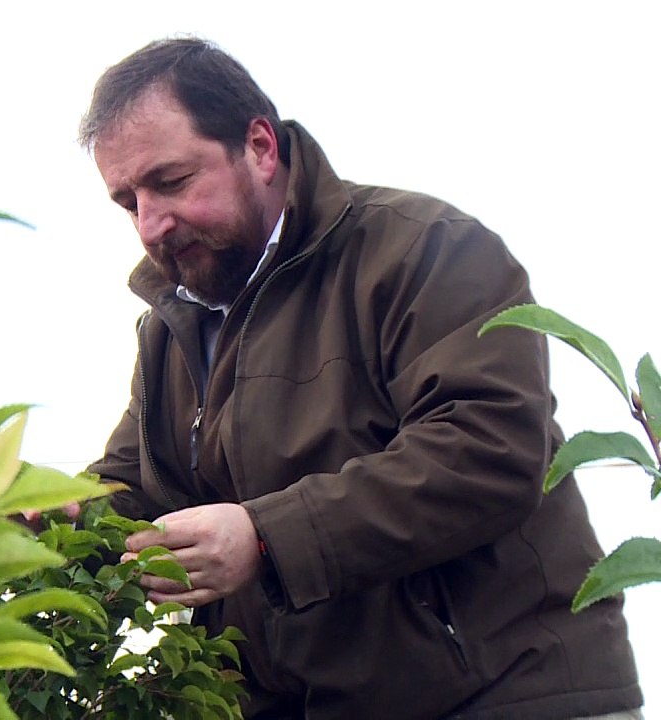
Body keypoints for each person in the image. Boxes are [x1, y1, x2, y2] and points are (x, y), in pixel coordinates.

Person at [80, 38, 641, 719]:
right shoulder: (173, 327)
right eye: (126, 201)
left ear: (259, 147)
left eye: (170, 182)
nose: (150, 224)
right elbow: (135, 485)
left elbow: (490, 448)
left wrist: (264, 537)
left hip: (508, 695)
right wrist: (46, 519)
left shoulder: (422, 249)